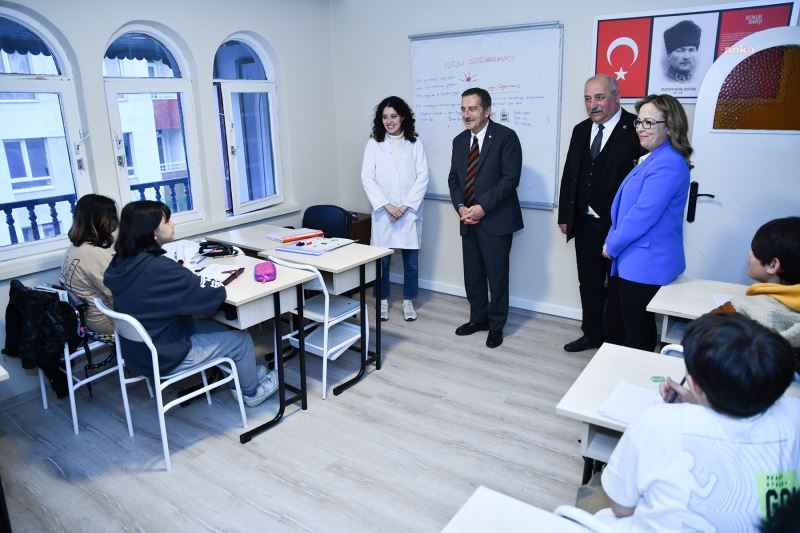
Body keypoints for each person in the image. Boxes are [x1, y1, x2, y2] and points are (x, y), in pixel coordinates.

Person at [598, 314, 800, 530]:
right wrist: (700, 403)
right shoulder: (794, 413)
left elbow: (621, 508)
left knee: (595, 495)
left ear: (693, 383)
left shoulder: (657, 421)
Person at [103, 200, 277, 407]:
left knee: (221, 328)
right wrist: (189, 277)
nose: (172, 224)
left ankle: (243, 375)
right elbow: (214, 294)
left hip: (138, 350)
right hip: (165, 353)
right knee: (242, 339)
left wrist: (183, 278)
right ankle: (251, 393)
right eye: (167, 221)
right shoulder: (159, 268)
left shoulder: (120, 262)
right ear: (152, 231)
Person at [557, 75, 641, 353]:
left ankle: (614, 342)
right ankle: (591, 333)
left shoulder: (636, 129)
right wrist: (565, 215)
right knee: (589, 282)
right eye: (587, 98)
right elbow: (570, 173)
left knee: (617, 286)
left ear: (617, 96)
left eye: (599, 97)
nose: (592, 104)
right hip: (584, 223)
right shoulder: (580, 130)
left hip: (619, 226)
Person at [603, 94, 692, 352]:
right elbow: (627, 208)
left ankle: (634, 374)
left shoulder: (668, 163)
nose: (641, 128)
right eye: (639, 122)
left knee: (637, 332)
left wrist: (612, 244)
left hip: (646, 263)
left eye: (649, 123)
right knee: (630, 326)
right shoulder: (655, 157)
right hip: (635, 259)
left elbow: (642, 215)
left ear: (670, 127)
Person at [447, 87, 523, 348]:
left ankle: (496, 326)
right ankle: (478, 319)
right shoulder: (459, 141)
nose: (466, 114)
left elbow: (510, 179)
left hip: (495, 220)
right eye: (463, 109)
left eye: (472, 108)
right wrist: (461, 207)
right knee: (473, 275)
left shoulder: (506, 137)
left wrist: (482, 207)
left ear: (487, 111)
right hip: (468, 220)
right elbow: (454, 179)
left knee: (497, 276)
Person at [361, 96, 429, 322]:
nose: (389, 121)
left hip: (408, 213)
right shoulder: (374, 144)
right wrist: (388, 206)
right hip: (384, 213)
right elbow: (367, 178)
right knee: (382, 262)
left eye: (393, 116)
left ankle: (408, 301)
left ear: (403, 117)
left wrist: (404, 207)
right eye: (384, 117)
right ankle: (382, 300)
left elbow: (422, 177)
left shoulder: (415, 144)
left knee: (411, 262)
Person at [712, 217, 800, 353]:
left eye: (755, 251)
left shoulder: (739, 309)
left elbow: (697, 336)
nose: (750, 253)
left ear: (773, 265)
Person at [59, 194, 119, 336]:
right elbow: (116, 294)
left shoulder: (75, 248)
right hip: (104, 321)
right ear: (99, 220)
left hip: (86, 317)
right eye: (111, 215)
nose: (116, 220)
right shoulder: (94, 254)